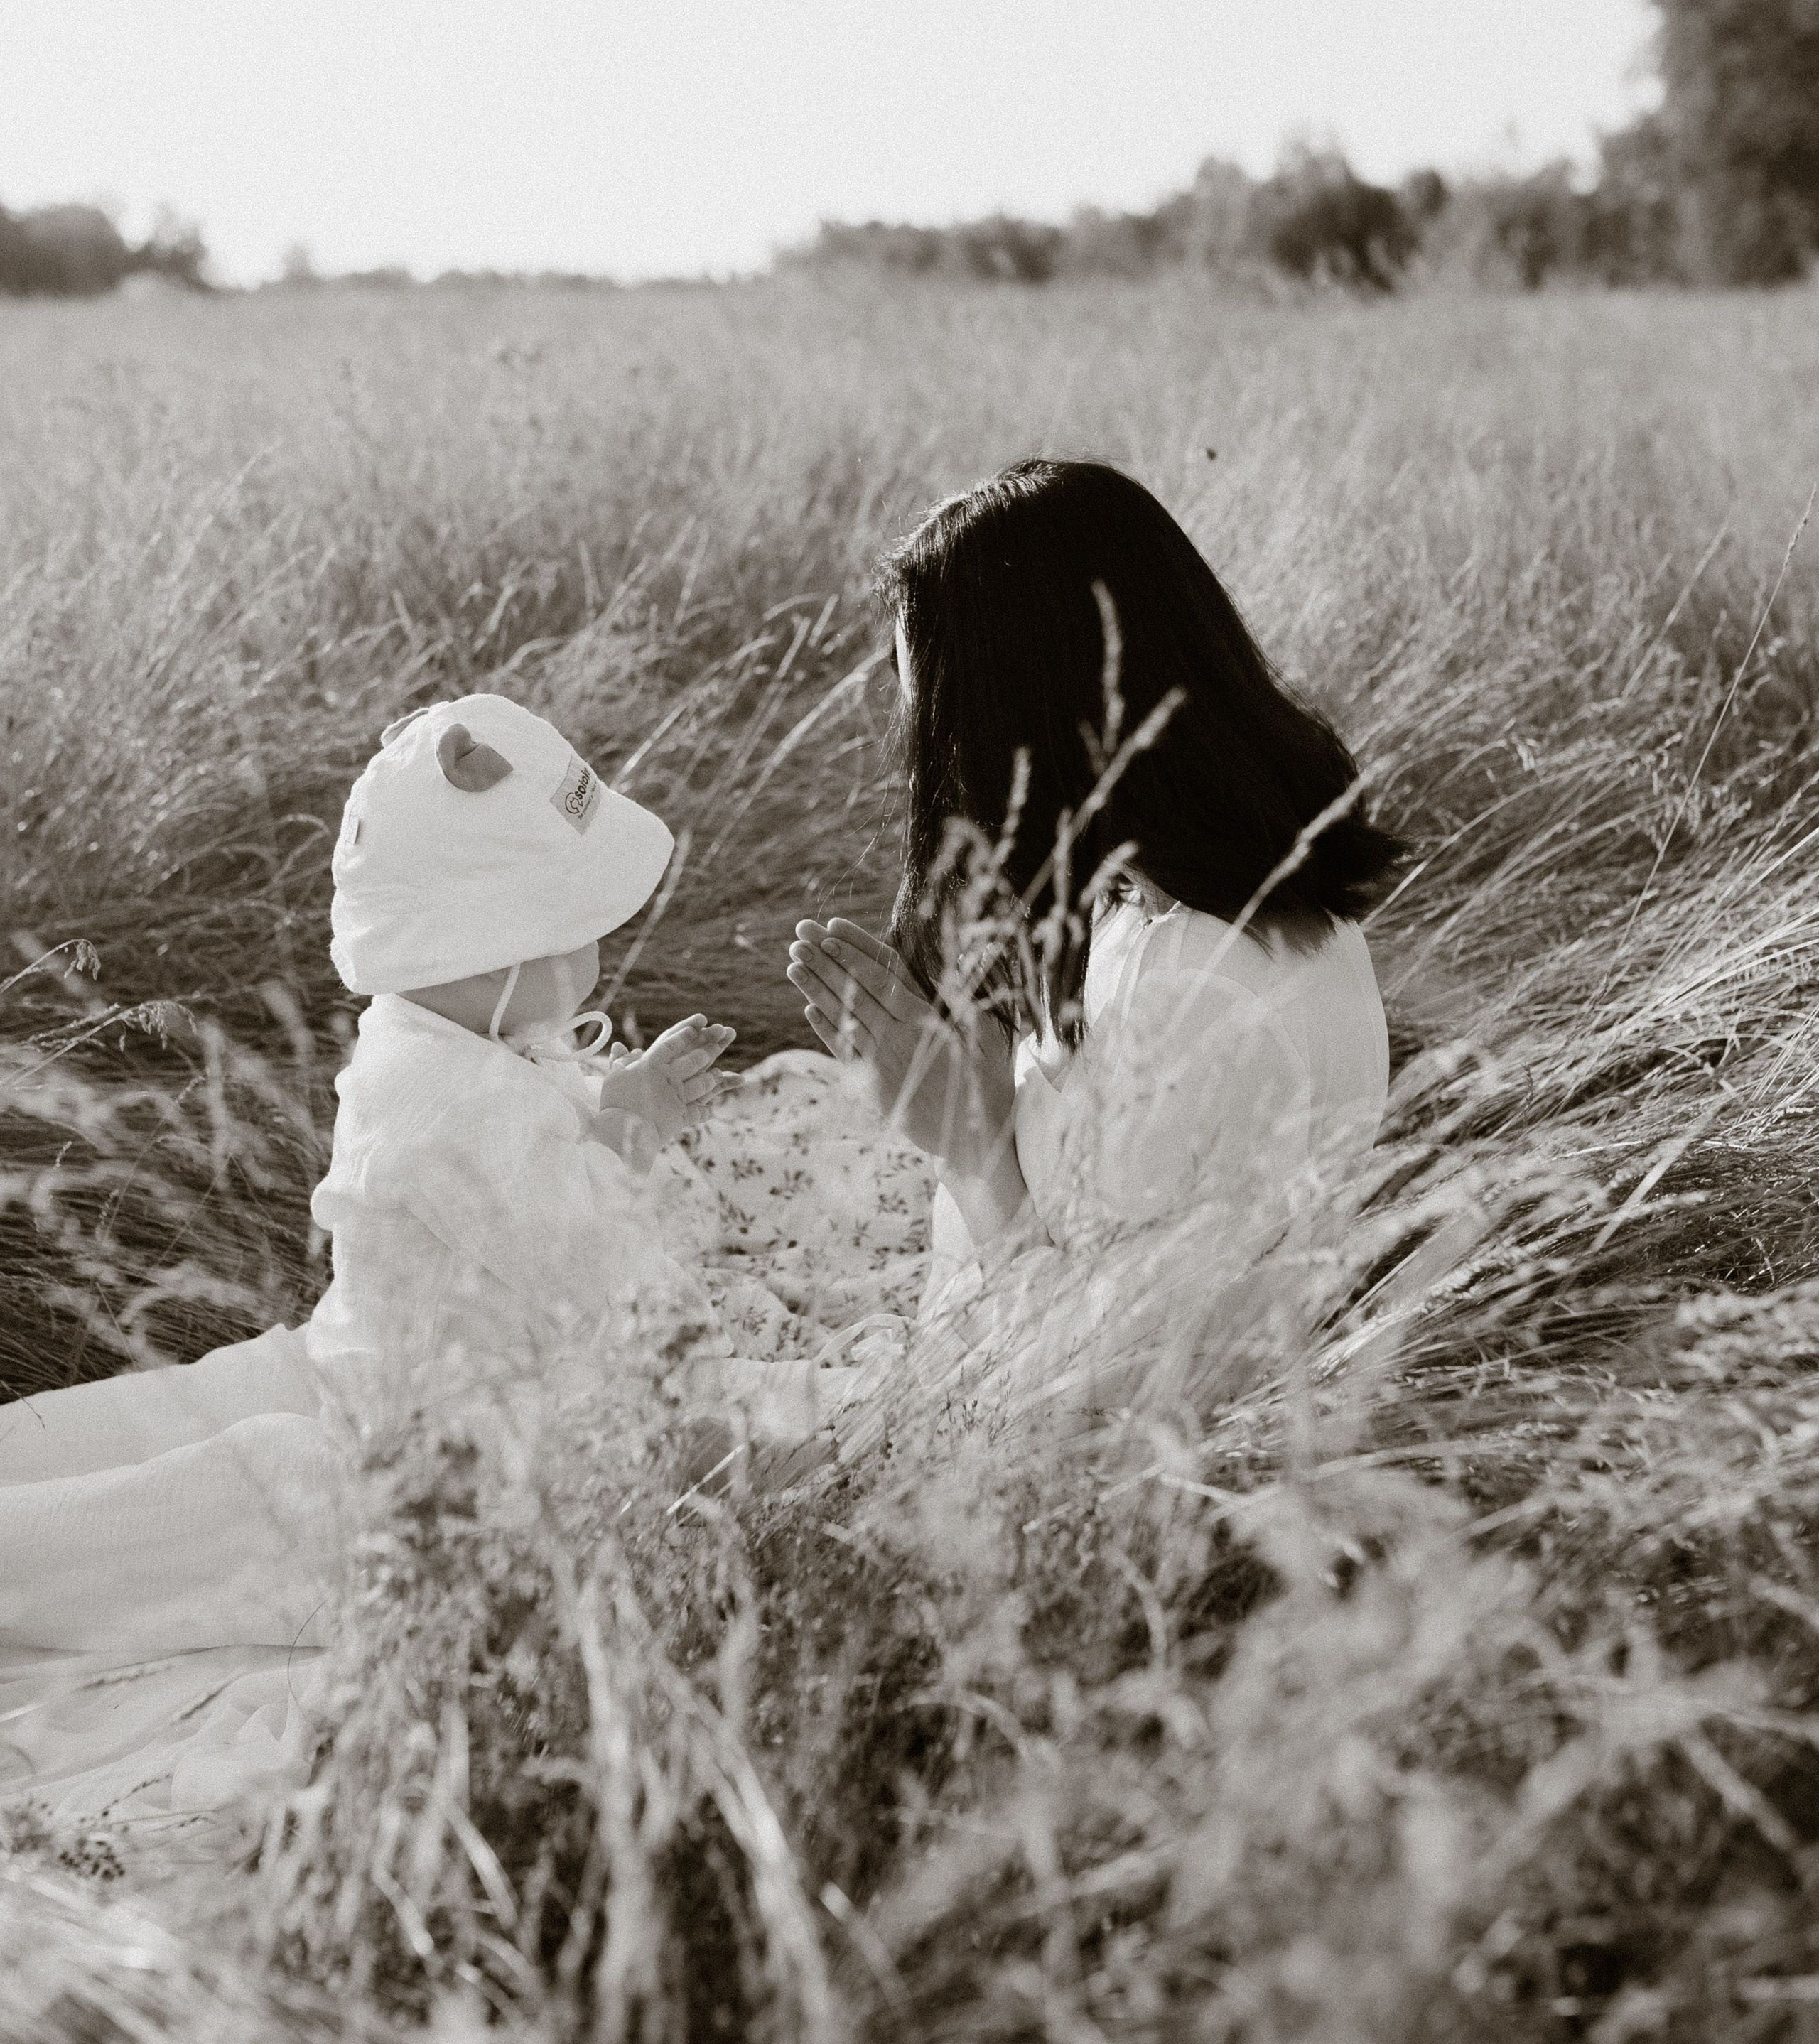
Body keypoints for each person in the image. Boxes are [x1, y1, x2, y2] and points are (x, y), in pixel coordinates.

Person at [0, 695, 816, 1832]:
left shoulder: (424, 1034)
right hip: (421, 1482)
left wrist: (620, 1110)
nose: (593, 959)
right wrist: (625, 1154)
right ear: (495, 947)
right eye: (577, 935)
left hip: (364, 1378)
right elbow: (599, 1260)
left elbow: (537, 1157)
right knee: (246, 1483)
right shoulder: (452, 1099)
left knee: (211, 1443)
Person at [785, 459, 1400, 1401]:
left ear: (1013, 730)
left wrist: (967, 1144)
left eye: (935, 730)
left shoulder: (1202, 996)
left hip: (1012, 1465)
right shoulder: (1174, 900)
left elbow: (1083, 1406)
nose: (926, 770)